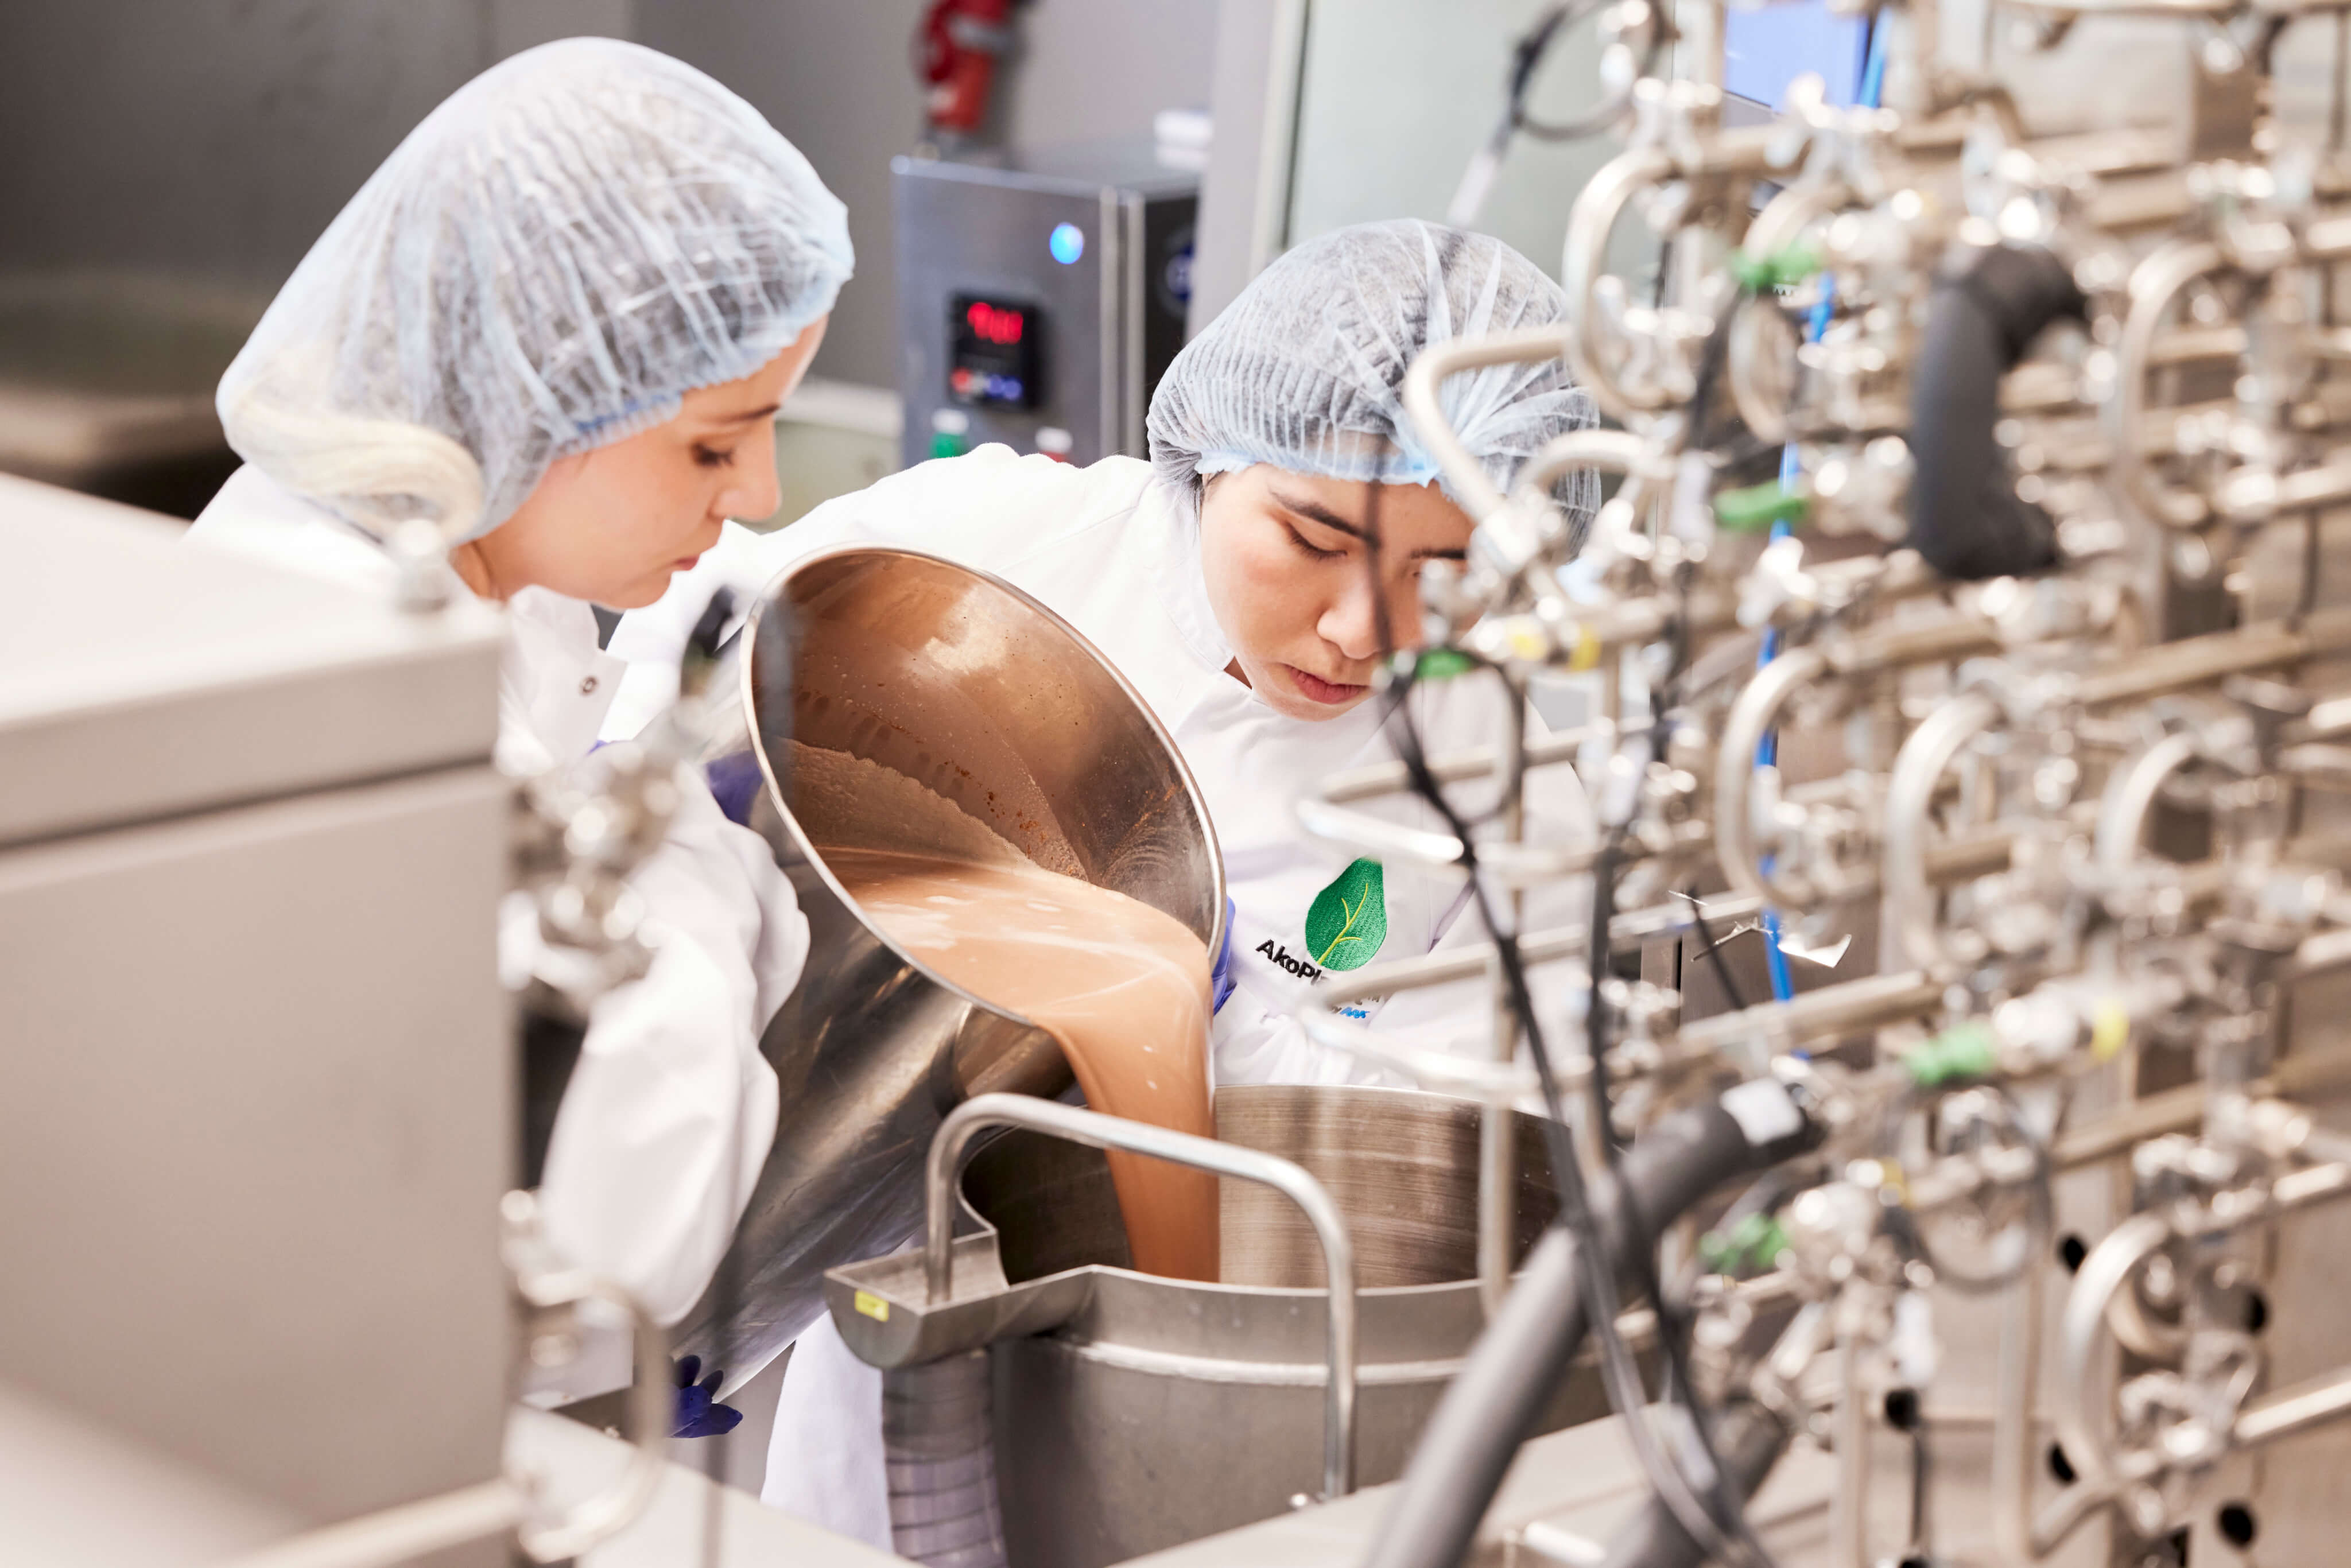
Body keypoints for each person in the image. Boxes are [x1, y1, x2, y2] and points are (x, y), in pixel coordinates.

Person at [604, 219, 1601, 1543]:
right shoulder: (991, 549)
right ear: (1208, 462)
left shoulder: (1503, 753)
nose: (1363, 632)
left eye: (1446, 570)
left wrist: (1246, 1022)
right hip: (914, 1327)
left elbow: (1485, 1146)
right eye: (1309, 537)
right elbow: (678, 661)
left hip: (1253, 1412)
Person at [185, 38, 854, 1337]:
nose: (759, 493)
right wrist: (705, 864)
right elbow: (610, 1233)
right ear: (543, 387)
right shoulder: (342, 679)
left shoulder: (479, 561)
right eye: (714, 441)